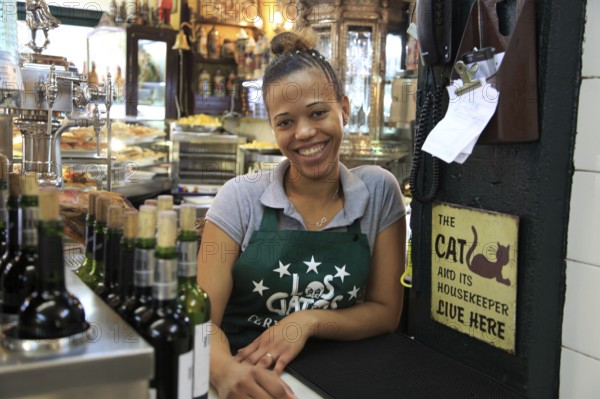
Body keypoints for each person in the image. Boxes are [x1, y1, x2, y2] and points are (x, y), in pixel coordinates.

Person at [197, 29, 407, 399]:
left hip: (344, 380)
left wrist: (305, 321)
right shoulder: (239, 198)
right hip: (245, 380)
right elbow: (202, 320)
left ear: (343, 109)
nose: (305, 133)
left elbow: (386, 311)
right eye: (285, 122)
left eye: (318, 113)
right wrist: (225, 371)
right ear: (273, 128)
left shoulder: (379, 191)